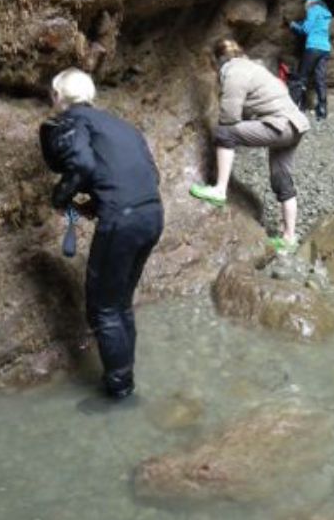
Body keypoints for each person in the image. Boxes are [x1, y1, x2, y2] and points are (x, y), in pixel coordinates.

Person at [39, 68, 163, 401]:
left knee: (104, 309)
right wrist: (98, 199)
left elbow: (81, 164)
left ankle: (120, 391)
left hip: (122, 220)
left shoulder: (72, 121)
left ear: (58, 96)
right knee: (120, 304)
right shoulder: (120, 125)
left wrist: (61, 198)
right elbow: (152, 173)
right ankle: (126, 378)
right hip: (151, 213)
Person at [189, 37, 310, 252]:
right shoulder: (254, 67)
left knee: (224, 132)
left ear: (219, 60)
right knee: (281, 177)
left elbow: (230, 116)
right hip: (296, 126)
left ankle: (219, 189)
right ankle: (289, 238)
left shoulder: (233, 72)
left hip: (280, 125)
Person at [289, 0, 332, 119]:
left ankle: (296, 109)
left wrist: (293, 25)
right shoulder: (326, 12)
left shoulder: (312, 9)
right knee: (320, 78)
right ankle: (322, 110)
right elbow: (317, 26)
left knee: (301, 78)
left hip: (313, 46)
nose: (305, 2)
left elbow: (306, 30)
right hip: (324, 48)